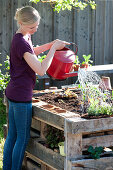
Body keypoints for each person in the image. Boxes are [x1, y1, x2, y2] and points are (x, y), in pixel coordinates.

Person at [3, 6, 70, 170]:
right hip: (20, 98)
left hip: (13, 92)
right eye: (32, 27)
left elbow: (32, 52)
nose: (35, 29)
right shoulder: (21, 42)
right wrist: (53, 49)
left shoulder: (22, 37)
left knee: (12, 135)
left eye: (37, 26)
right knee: (22, 138)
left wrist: (50, 44)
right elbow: (41, 70)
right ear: (20, 22)